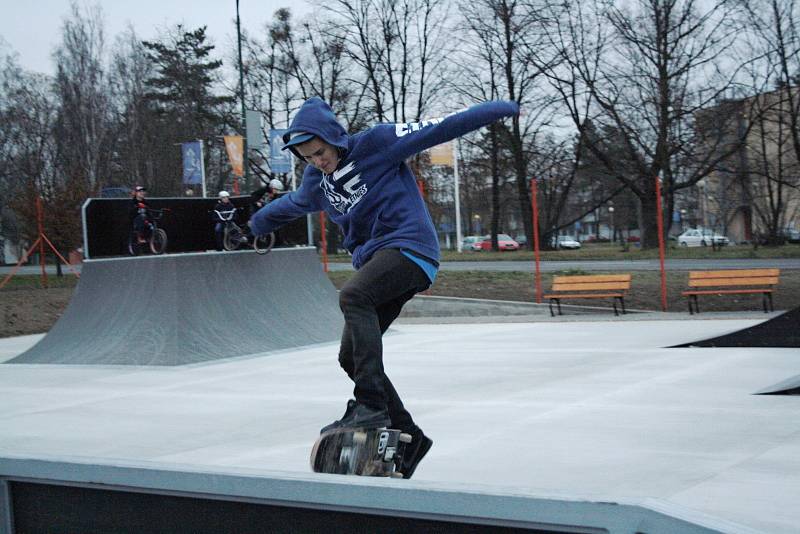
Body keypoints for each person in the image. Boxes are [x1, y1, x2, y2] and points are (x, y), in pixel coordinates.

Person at [250, 97, 519, 478]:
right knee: (350, 356)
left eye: (321, 152)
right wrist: (255, 225)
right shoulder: (316, 181)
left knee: (353, 295)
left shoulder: (375, 143)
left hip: (410, 247)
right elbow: (293, 204)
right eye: (309, 157)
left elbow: (440, 128)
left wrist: (502, 108)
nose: (318, 162)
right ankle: (409, 436)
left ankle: (371, 406)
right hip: (380, 263)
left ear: (334, 139)